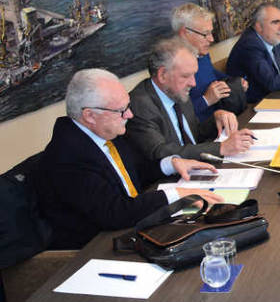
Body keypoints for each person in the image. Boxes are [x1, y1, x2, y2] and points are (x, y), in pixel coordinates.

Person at [34, 69, 223, 249]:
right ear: (90, 115)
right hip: (96, 248)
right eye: (121, 111)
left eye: (128, 107)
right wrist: (177, 194)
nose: (130, 115)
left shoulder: (104, 131)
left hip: (133, 226)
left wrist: (171, 163)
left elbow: (134, 172)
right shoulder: (68, 155)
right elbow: (115, 212)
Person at [127, 37, 256, 161]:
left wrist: (216, 118)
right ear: (162, 75)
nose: (193, 83)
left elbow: (193, 135)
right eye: (186, 76)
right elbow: (161, 152)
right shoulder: (140, 105)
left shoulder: (177, 91)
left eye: (194, 74)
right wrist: (221, 148)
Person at [172, 3, 248, 122]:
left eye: (211, 33)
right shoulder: (172, 67)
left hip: (223, 119)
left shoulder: (202, 53)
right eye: (205, 34)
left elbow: (210, 72)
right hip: (201, 132)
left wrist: (237, 82)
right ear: (185, 33)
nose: (211, 39)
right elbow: (176, 118)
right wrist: (206, 100)